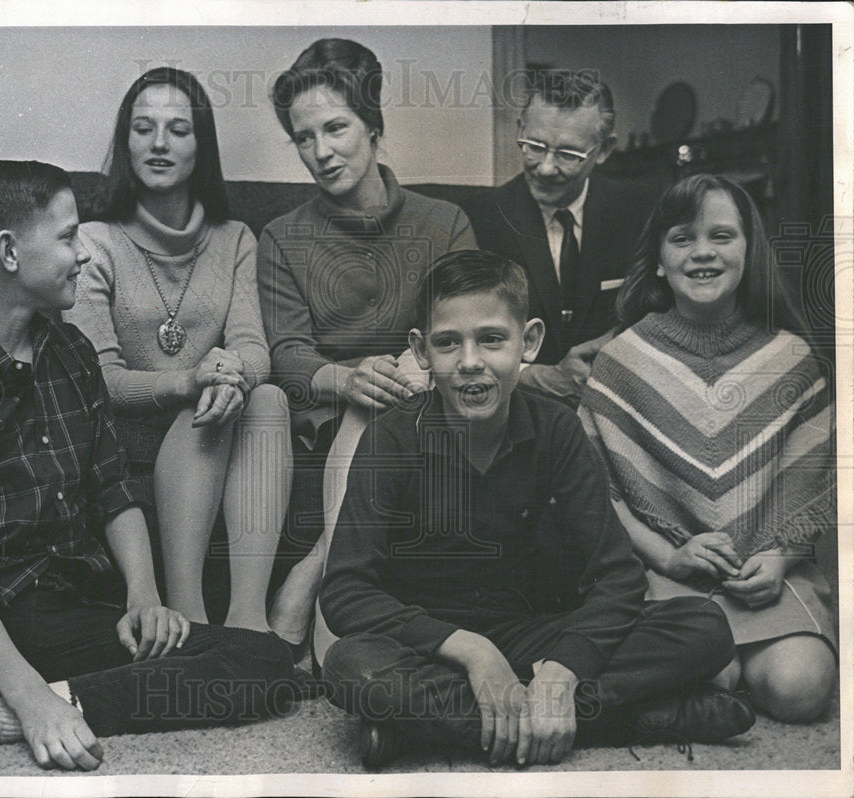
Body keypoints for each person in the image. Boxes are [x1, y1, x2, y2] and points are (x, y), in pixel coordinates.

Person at [0, 160, 293, 769]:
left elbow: (111, 487)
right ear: (8, 251)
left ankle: (23, 708)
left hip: (63, 610)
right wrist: (27, 697)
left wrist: (144, 595)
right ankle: (22, 699)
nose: (84, 253)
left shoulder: (72, 352)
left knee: (262, 664)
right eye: (68, 236)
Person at [319, 249, 755, 770]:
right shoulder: (390, 438)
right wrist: (473, 652)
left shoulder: (558, 429)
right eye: (447, 343)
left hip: (540, 636)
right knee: (352, 668)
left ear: (529, 342)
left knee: (704, 628)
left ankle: (430, 731)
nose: (471, 361)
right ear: (421, 351)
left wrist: (564, 672)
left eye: (492, 339)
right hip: (433, 646)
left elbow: (617, 577)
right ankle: (632, 720)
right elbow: (346, 591)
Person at [579, 174, 838, 723]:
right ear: (656, 260)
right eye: (682, 238)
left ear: (750, 250)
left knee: (802, 689)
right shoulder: (621, 362)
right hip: (664, 577)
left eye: (722, 236)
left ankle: (737, 671)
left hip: (769, 574)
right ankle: (715, 679)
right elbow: (599, 494)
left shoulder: (792, 359)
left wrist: (780, 555)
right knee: (706, 667)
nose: (703, 253)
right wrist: (669, 554)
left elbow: (815, 488)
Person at [257, 38, 477, 656]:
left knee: (398, 383)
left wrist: (409, 369)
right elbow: (288, 354)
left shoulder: (445, 222)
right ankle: (337, 630)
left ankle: (315, 574)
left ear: (373, 125)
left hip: (427, 397)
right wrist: (347, 378)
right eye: (304, 138)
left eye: (336, 128)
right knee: (366, 403)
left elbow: (463, 329)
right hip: (333, 411)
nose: (321, 152)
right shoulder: (282, 236)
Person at [63, 68, 292, 636]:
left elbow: (251, 347)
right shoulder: (93, 241)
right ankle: (190, 612)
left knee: (266, 398)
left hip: (219, 421)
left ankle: (248, 621)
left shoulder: (235, 237)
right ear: (125, 143)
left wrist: (228, 373)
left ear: (202, 147)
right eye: (143, 128)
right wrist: (191, 379)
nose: (159, 143)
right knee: (210, 400)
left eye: (177, 130)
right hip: (130, 435)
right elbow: (104, 380)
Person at [463, 69, 657, 404]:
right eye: (534, 146)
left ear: (605, 150)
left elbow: (664, 309)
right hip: (517, 410)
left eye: (568, 155)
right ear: (520, 129)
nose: (546, 168)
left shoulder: (642, 211)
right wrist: (530, 374)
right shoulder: (479, 219)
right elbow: (461, 335)